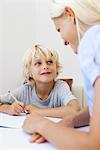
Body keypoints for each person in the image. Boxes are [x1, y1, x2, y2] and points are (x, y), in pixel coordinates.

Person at [22, 0, 100, 149]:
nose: (63, 41)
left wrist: (42, 124)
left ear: (70, 15)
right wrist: (69, 122)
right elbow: (94, 108)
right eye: (38, 64)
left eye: (59, 30)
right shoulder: (25, 89)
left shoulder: (93, 39)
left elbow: (95, 144)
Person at [0, 43, 80, 116]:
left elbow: (75, 110)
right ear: (29, 72)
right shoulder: (25, 90)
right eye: (38, 63)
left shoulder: (60, 87)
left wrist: (38, 111)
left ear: (56, 68)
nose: (45, 66)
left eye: (49, 62)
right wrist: (9, 109)